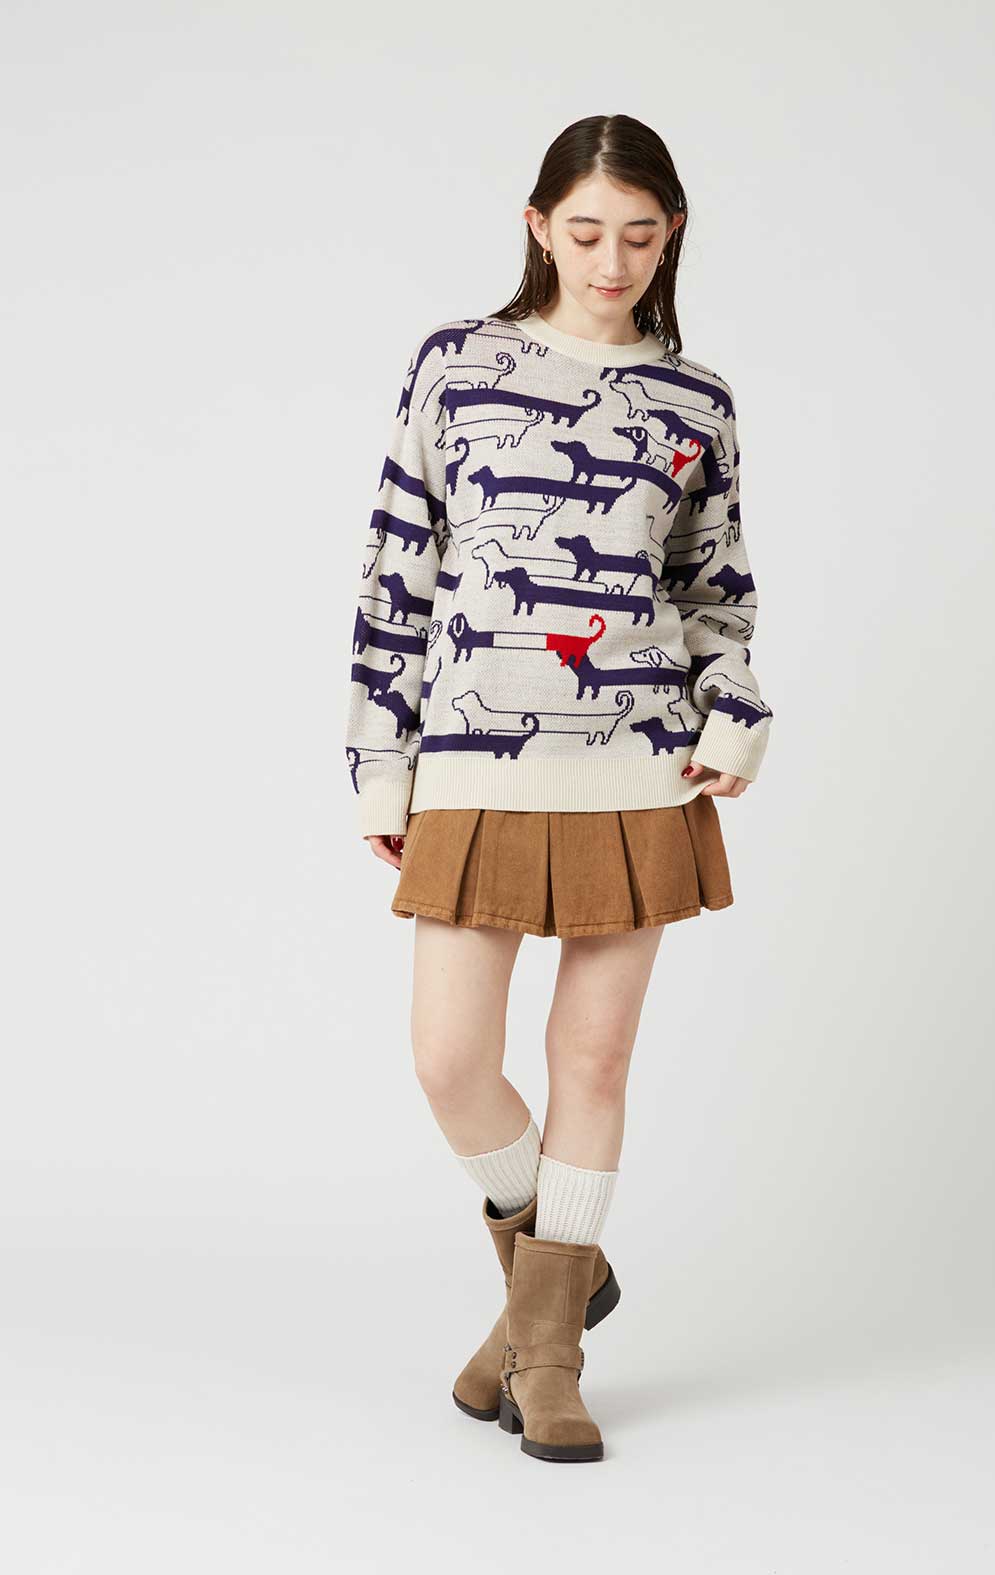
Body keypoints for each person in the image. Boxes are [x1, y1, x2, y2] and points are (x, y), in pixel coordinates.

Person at [344, 114, 773, 1462]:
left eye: (640, 236)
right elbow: (397, 570)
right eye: (585, 232)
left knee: (592, 1059)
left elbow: (715, 592)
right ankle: (564, 1276)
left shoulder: (694, 400)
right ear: (538, 226)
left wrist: (736, 714)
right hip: (476, 757)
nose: (611, 262)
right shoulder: (457, 365)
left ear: (673, 235)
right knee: (449, 1060)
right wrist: (380, 763)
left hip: (639, 761)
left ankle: (546, 1354)